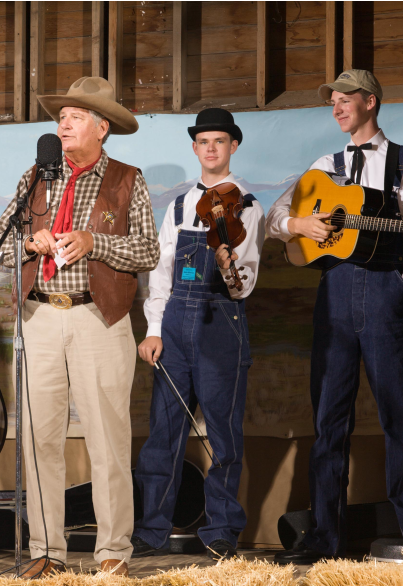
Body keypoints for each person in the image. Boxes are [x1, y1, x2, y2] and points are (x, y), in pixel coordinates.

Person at [269, 71, 403, 564]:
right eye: (333, 102)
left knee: (399, 418)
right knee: (328, 422)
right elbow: (278, 219)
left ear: (371, 102)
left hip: (386, 290)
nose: (337, 108)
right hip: (334, 295)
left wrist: (402, 284)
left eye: (346, 99)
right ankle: (324, 539)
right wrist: (299, 224)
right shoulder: (326, 165)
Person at [0, 77, 160, 577]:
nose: (63, 124)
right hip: (39, 315)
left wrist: (94, 242)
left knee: (108, 439)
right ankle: (47, 550)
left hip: (99, 318)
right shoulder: (35, 176)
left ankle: (113, 552)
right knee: (40, 439)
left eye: (76, 116)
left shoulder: (128, 178)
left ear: (102, 128)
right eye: (61, 116)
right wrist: (29, 243)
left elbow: (148, 251)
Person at [132, 108, 265, 561]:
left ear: (233, 146)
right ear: (195, 148)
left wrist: (229, 268)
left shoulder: (249, 205)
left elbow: (244, 286)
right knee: (162, 436)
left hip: (222, 324)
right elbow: (162, 272)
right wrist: (153, 330)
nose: (211, 149)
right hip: (174, 325)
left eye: (220, 141)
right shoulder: (179, 204)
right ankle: (151, 532)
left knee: (224, 436)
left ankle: (221, 529)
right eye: (204, 142)